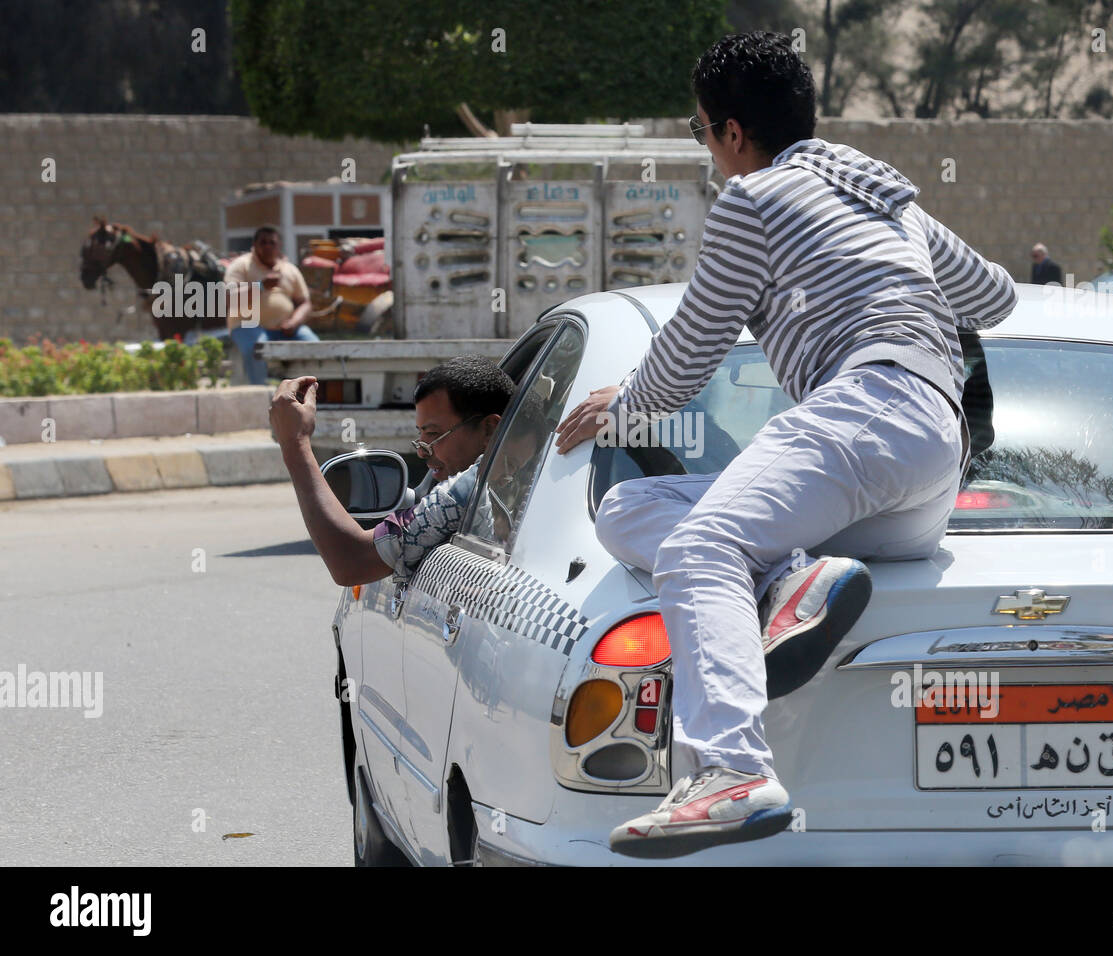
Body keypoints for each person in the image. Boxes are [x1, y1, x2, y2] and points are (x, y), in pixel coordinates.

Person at [554, 31, 1017, 859]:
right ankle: (793, 579)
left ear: (733, 133)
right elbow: (996, 294)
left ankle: (731, 770)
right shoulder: (885, 200)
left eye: (702, 133)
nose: (707, 151)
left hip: (869, 406)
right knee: (630, 508)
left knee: (699, 549)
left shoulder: (754, 198)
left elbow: (692, 348)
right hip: (927, 466)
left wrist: (621, 408)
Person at [269, 355, 515, 588]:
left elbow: (352, 561)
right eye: (420, 436)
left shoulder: (464, 491)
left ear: (489, 430)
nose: (422, 452)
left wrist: (295, 443)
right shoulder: (545, 470)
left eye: (432, 434)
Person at [226, 225, 319, 385]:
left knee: (316, 347)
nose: (268, 246)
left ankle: (313, 393)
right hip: (248, 325)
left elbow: (304, 303)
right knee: (256, 350)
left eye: (272, 243)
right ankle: (260, 393)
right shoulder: (240, 266)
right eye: (263, 242)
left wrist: (294, 322)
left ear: (279, 246)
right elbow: (229, 298)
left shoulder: (290, 270)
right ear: (254, 246)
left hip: (287, 329)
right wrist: (261, 286)